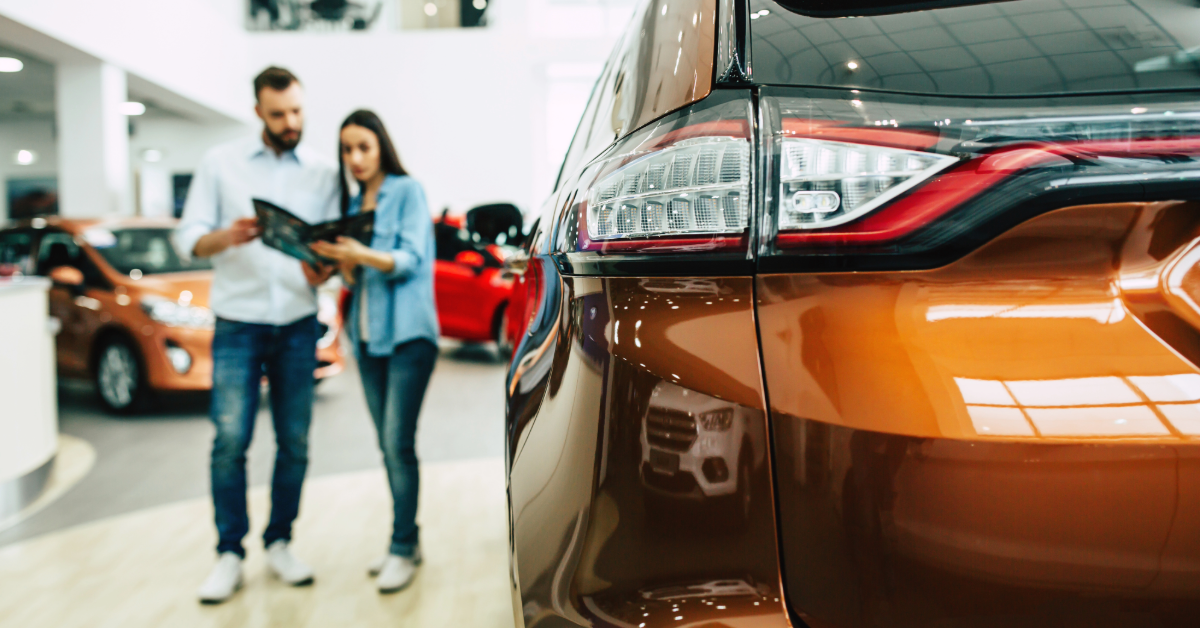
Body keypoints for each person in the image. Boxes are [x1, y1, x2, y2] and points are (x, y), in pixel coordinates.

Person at [173, 66, 339, 604]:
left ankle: (280, 541)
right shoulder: (220, 164)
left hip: (296, 322)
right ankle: (229, 552)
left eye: (296, 112)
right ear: (257, 113)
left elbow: (331, 247)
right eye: (278, 115)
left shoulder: (322, 171)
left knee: (294, 442)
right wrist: (222, 237)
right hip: (238, 322)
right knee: (229, 442)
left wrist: (324, 269)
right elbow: (187, 239)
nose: (290, 123)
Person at [310, 110, 438, 594]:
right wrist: (332, 262)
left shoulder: (407, 191)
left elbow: (409, 260)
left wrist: (356, 253)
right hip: (366, 339)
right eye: (347, 149)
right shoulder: (350, 202)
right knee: (388, 446)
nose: (355, 158)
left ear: (381, 145)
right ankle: (409, 540)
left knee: (396, 443)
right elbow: (355, 278)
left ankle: (402, 545)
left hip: (409, 337)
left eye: (363, 146)